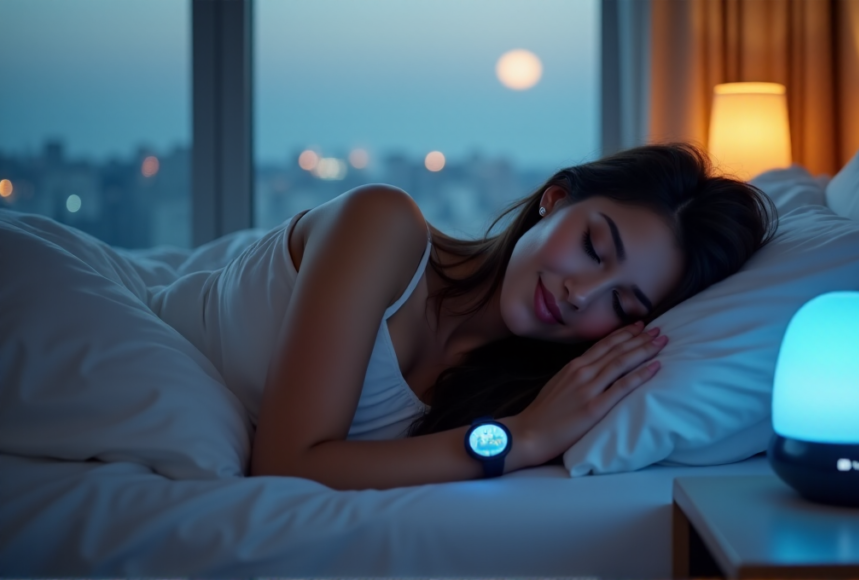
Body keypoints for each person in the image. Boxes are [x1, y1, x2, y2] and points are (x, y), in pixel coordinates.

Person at [150, 142, 776, 491]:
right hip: (127, 337)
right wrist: (523, 438)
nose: (583, 294)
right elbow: (287, 465)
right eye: (592, 246)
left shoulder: (518, 386)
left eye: (622, 303)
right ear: (554, 201)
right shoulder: (382, 225)